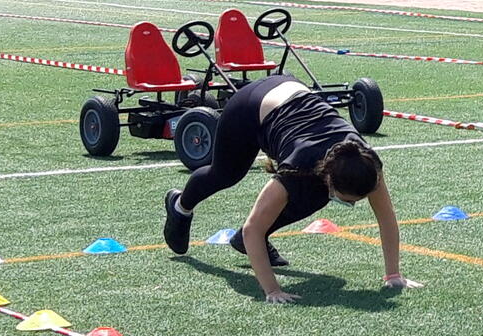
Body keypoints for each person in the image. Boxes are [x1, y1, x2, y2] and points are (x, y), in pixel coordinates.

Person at [161, 74, 420, 303]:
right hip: (250, 108)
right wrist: (272, 289)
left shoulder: (366, 161)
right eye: (349, 200)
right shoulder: (299, 166)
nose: (353, 205)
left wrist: (393, 274)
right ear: (329, 177)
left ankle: (242, 241)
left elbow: (386, 218)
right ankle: (180, 206)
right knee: (225, 175)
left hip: (290, 96)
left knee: (314, 196)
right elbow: (253, 227)